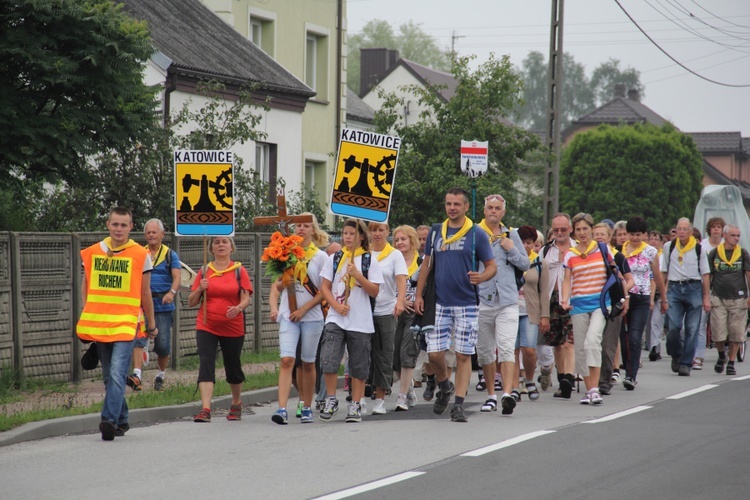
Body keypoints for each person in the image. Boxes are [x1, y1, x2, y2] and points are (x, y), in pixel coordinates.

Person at [415, 187, 496, 422]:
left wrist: (481, 276)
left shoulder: (476, 233)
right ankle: (444, 385)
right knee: (434, 354)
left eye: (457, 204)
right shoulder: (435, 232)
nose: (452, 208)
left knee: (463, 356)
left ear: (466, 206)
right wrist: (419, 295)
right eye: (448, 203)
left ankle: (458, 404)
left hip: (467, 303)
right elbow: (426, 266)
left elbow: (491, 265)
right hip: (439, 302)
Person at [76, 207, 157, 440]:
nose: (119, 229)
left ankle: (108, 420)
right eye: (115, 224)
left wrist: (151, 325)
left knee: (116, 372)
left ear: (131, 227)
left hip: (126, 323)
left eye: (124, 225)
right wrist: (86, 315)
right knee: (108, 376)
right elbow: (86, 287)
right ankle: (121, 420)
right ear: (107, 225)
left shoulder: (141, 255)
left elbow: (145, 293)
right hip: (100, 324)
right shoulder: (92, 252)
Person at [318, 218, 383, 423]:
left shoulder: (368, 260)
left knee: (359, 365)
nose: (347, 237)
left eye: (352, 234)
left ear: (361, 236)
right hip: (336, 318)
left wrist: (358, 275)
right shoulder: (335, 258)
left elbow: (374, 291)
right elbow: (325, 287)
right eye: (345, 233)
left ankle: (355, 404)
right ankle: (330, 398)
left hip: (360, 320)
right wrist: (335, 306)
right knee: (329, 359)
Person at [268, 215, 328, 424]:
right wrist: (284, 282)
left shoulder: (320, 257)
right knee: (287, 360)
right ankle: (282, 408)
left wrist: (304, 309)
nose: (301, 229)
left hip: (311, 316)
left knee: (308, 363)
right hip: (288, 314)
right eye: (298, 226)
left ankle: (306, 405)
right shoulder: (286, 253)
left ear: (313, 230)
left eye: (306, 226)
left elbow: (325, 291)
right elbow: (277, 286)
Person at [188, 236, 252, 422]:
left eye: (225, 242)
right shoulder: (205, 271)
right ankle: (206, 409)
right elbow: (191, 302)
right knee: (206, 362)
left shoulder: (239, 270)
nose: (221, 245)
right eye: (216, 242)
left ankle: (236, 403)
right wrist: (200, 288)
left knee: (232, 365)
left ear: (232, 247)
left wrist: (238, 308)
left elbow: (246, 298)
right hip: (206, 325)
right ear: (211, 249)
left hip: (232, 326)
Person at [475, 194, 528, 415]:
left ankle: (507, 394)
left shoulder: (511, 234)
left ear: (503, 212)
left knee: (506, 348)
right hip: (482, 299)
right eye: (490, 208)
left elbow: (525, 263)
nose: (493, 211)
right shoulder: (475, 232)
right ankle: (490, 395)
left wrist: (511, 248)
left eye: (498, 208)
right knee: (486, 352)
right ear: (484, 210)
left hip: (507, 300)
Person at [561, 213, 614, 405]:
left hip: (601, 303)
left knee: (593, 341)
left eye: (585, 228)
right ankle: (590, 389)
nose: (582, 233)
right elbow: (567, 280)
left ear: (591, 229)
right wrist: (565, 299)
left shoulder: (602, 249)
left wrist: (623, 296)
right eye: (578, 230)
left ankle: (596, 388)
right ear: (574, 232)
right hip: (578, 305)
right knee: (581, 349)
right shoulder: (570, 254)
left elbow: (616, 272)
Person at [127, 219, 181, 392]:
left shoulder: (169, 254)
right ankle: (137, 376)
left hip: (163, 306)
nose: (151, 235)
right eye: (148, 233)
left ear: (162, 235)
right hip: (141, 306)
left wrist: (171, 293)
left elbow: (178, 276)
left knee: (163, 346)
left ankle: (160, 375)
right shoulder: (139, 253)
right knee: (138, 340)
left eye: (154, 232)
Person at [617, 218, 666, 389]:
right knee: (624, 339)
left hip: (641, 298)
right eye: (632, 234)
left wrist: (663, 298)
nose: (635, 238)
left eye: (638, 235)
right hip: (623, 298)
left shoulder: (650, 252)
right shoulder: (620, 250)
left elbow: (657, 276)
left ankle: (631, 375)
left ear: (644, 234)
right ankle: (626, 369)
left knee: (635, 337)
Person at [662, 218, 711, 376]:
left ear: (690, 232)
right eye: (679, 229)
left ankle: (685, 363)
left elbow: (705, 274)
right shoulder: (669, 247)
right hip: (675, 288)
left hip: (693, 287)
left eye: (685, 229)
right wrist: (662, 294)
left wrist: (706, 297)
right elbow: (664, 272)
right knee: (674, 327)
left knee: (692, 328)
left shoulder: (699, 249)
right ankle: (676, 354)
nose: (681, 232)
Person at [368, 222, 407, 415]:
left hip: (386, 310)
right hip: (364, 311)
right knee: (365, 355)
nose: (377, 234)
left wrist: (400, 301)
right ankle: (362, 394)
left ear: (387, 232)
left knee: (384, 355)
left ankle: (380, 398)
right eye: (373, 230)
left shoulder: (394, 255)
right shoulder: (363, 253)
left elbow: (401, 280)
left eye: (380, 230)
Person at [592, 223, 634, 396]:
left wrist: (625, 298)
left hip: (614, 304)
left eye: (603, 234)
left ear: (610, 237)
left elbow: (628, 279)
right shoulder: (589, 256)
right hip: (593, 303)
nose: (599, 237)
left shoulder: (617, 256)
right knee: (593, 343)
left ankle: (605, 381)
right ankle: (592, 379)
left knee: (608, 344)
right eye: (596, 234)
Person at [541, 213, 576, 399]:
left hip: (573, 300)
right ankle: (562, 379)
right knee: (557, 343)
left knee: (569, 341)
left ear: (570, 229)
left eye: (563, 229)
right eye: (556, 230)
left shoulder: (578, 249)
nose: (560, 233)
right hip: (551, 300)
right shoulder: (546, 250)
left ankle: (569, 378)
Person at [707, 224, 750, 376]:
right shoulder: (715, 253)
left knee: (736, 332)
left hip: (738, 298)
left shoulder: (743, 253)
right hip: (718, 296)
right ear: (725, 236)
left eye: (738, 236)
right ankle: (721, 354)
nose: (736, 238)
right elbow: (708, 275)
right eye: (733, 235)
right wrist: (706, 296)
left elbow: (747, 274)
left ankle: (731, 362)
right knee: (718, 331)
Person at [516, 225, 549, 401]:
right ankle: (515, 384)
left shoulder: (539, 263)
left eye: (529, 242)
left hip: (530, 311)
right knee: (511, 350)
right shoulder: (510, 259)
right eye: (522, 242)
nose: (526, 246)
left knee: (529, 349)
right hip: (509, 310)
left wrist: (545, 316)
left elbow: (544, 292)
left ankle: (529, 379)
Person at [392, 225, 421, 411]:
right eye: (397, 240)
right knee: (393, 356)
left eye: (404, 239)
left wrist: (416, 300)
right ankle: (408, 386)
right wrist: (399, 300)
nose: (400, 243)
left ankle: (402, 396)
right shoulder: (391, 260)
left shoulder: (422, 261)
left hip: (414, 314)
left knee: (407, 353)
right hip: (394, 311)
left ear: (412, 240)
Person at [693, 217, 725, 370]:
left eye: (719, 227)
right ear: (709, 230)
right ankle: (698, 356)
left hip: (722, 289)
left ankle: (723, 348)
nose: (716, 229)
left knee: (720, 323)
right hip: (704, 287)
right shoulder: (703, 246)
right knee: (700, 323)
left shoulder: (727, 246)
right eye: (714, 227)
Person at [647, 231, 666, 361]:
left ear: (661, 242)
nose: (653, 241)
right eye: (651, 239)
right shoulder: (646, 254)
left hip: (660, 290)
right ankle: (653, 346)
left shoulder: (663, 256)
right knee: (649, 323)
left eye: (656, 239)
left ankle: (655, 347)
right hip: (647, 290)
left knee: (656, 321)